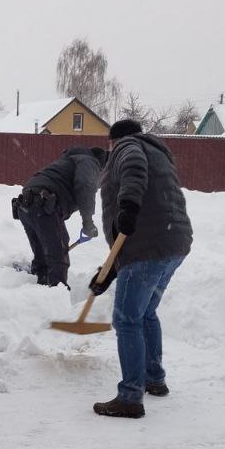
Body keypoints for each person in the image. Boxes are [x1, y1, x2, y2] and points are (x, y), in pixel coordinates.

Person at [87, 119, 193, 418]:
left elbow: (133, 170)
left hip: (148, 246)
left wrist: (128, 207)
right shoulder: (157, 151)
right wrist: (110, 270)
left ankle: (131, 397)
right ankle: (154, 379)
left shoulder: (128, 147)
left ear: (113, 139)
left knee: (127, 320)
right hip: (173, 243)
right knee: (145, 313)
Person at [12, 146, 107, 286]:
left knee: (43, 252)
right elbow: (85, 186)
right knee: (57, 254)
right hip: (43, 204)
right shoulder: (89, 162)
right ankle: (57, 292)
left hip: (25, 204)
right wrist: (88, 222)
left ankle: (40, 284)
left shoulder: (68, 161)